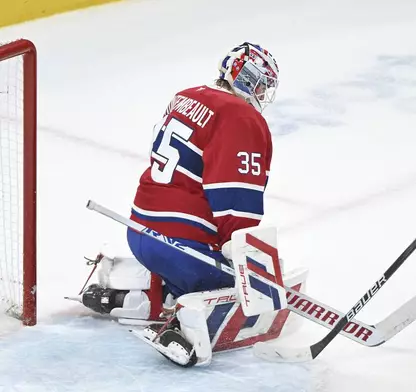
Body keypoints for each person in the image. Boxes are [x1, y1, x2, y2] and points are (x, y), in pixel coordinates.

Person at [79, 42, 284, 366]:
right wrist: (251, 266)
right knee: (245, 288)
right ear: (245, 79)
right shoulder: (241, 117)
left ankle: (138, 295)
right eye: (261, 83)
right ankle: (187, 324)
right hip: (184, 248)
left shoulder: (187, 96)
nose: (262, 93)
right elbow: (235, 205)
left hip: (139, 232)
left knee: (197, 265)